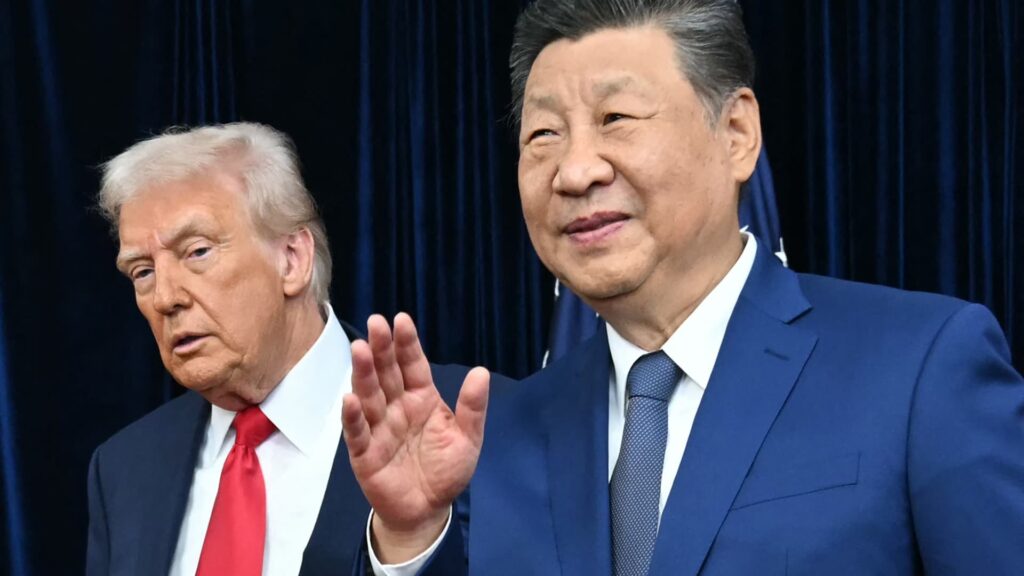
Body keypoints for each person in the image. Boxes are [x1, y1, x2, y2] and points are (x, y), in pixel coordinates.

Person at [343, 1, 1024, 574]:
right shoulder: (495, 435)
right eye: (543, 134)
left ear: (737, 134)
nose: (575, 172)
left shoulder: (919, 369)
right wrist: (411, 537)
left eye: (616, 119)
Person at [84, 122, 478, 576]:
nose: (165, 297)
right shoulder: (123, 469)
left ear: (292, 259)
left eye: (197, 252)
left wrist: (413, 538)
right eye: (142, 272)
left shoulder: (462, 426)